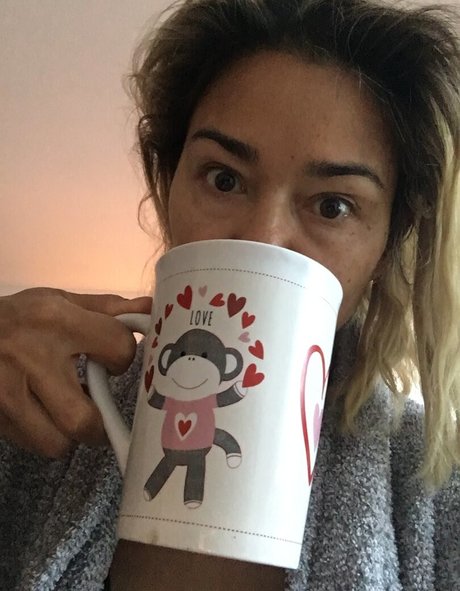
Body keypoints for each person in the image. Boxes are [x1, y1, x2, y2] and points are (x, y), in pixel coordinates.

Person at [1, 0, 459, 589]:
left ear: (386, 247)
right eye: (224, 178)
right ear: (168, 186)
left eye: (333, 205)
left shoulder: (434, 483)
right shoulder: (43, 405)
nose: (263, 239)